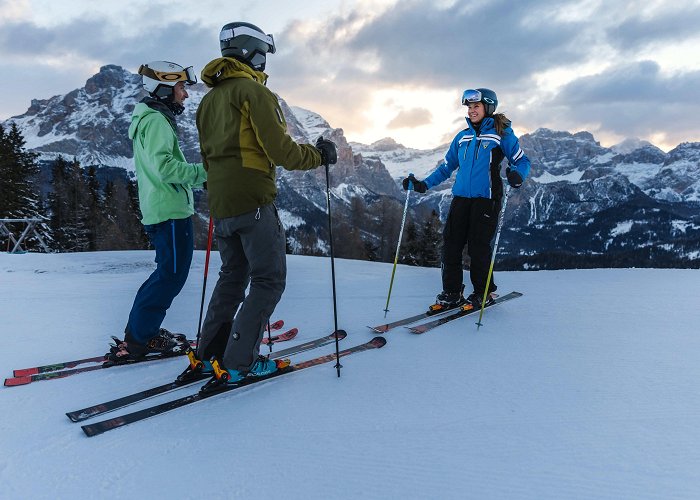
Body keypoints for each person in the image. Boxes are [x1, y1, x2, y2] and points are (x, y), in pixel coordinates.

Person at [191, 22, 337, 384]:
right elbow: (281, 151)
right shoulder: (254, 94)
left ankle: (210, 352)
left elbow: (207, 156)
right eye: (263, 54)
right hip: (253, 198)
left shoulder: (207, 100)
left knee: (232, 277)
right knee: (268, 280)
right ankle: (240, 361)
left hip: (221, 202)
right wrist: (319, 156)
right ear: (252, 52)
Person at [107, 61, 207, 364]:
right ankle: (140, 338)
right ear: (164, 88)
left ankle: (140, 332)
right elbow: (165, 169)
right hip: (170, 211)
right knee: (171, 276)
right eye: (181, 88)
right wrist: (207, 172)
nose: (185, 95)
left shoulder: (150, 118)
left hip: (161, 208)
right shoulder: (156, 121)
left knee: (167, 274)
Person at [403, 88, 530, 309]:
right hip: (461, 198)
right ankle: (452, 292)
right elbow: (446, 167)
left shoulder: (502, 134)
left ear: (488, 108)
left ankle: (484, 292)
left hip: (487, 198)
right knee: (451, 246)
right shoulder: (462, 137)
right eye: (469, 107)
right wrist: (423, 184)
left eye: (476, 106)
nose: (472, 111)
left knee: (478, 248)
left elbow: (521, 160)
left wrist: (518, 174)